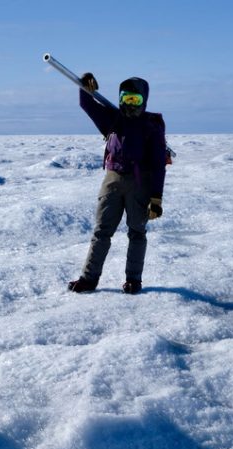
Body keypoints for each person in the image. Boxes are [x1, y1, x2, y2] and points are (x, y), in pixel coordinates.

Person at [68, 72, 167, 295]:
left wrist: (156, 197)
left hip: (140, 184)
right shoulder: (112, 119)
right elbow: (86, 103)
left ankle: (133, 280)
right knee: (102, 231)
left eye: (136, 100)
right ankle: (88, 279)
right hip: (112, 181)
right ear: (120, 99)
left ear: (144, 100)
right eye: (126, 99)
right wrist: (85, 84)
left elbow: (158, 164)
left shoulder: (152, 126)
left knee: (137, 232)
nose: (130, 105)